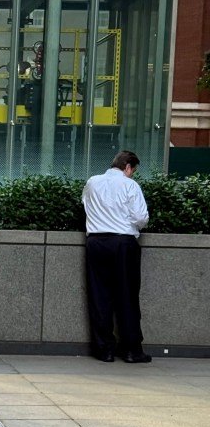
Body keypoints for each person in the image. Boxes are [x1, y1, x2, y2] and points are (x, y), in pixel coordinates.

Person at [82, 150, 150, 363]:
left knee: (99, 296)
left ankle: (105, 350)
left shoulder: (92, 182)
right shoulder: (130, 185)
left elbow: (86, 205)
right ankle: (131, 350)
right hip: (123, 243)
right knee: (127, 296)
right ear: (128, 167)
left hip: (96, 242)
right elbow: (141, 218)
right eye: (133, 171)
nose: (132, 174)